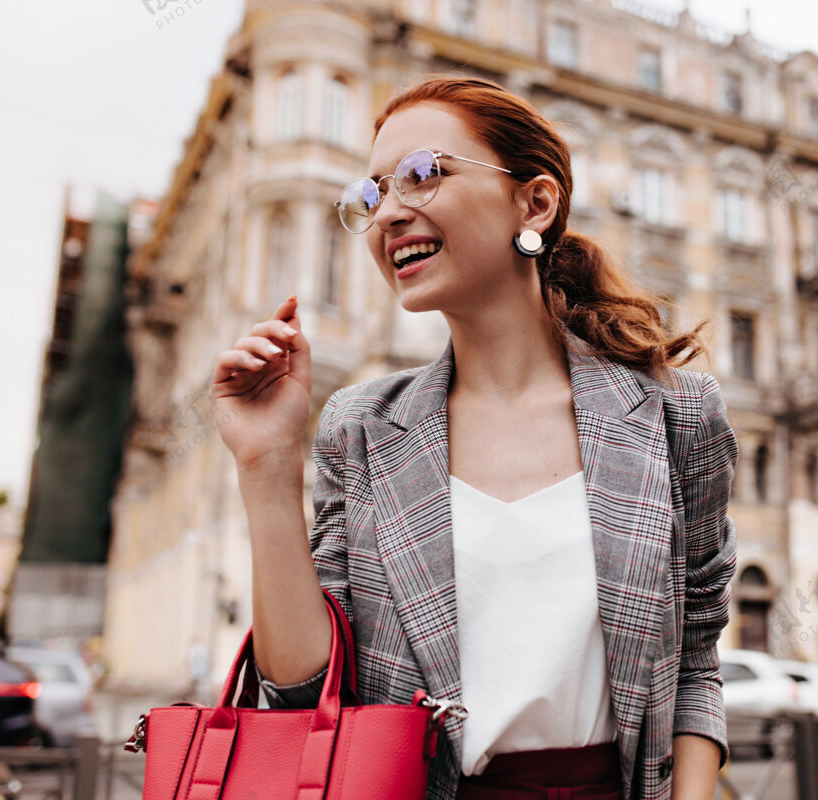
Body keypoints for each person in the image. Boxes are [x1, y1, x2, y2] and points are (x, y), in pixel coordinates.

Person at [209, 77, 739, 800]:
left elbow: (695, 658)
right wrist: (266, 467)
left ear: (536, 202)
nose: (389, 213)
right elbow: (302, 691)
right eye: (371, 195)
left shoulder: (678, 414)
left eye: (423, 175)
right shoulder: (361, 429)